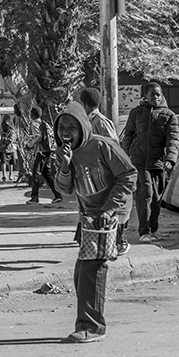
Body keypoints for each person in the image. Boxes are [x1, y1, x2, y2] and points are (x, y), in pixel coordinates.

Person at [54, 102, 137, 343]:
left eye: (72, 127)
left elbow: (129, 175)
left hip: (108, 215)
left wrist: (109, 209)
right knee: (82, 271)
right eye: (61, 127)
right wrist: (65, 164)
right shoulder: (65, 152)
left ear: (82, 127)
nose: (66, 132)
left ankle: (92, 327)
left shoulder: (102, 145)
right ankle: (88, 323)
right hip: (88, 218)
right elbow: (64, 189)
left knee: (92, 270)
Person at [120, 82, 179, 243]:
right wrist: (125, 157)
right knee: (145, 193)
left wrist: (170, 158)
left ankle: (153, 229)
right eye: (152, 94)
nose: (156, 98)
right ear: (145, 96)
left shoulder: (169, 116)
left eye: (158, 94)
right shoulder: (136, 113)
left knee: (156, 199)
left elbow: (173, 139)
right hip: (138, 162)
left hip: (158, 163)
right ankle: (144, 231)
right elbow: (128, 136)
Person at [26, 106, 63, 205]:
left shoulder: (34, 124)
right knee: (47, 174)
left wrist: (30, 144)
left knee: (36, 174)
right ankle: (58, 195)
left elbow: (38, 136)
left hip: (41, 152)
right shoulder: (44, 123)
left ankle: (34, 197)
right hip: (48, 151)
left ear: (32, 115)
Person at [0, 115, 18, 182]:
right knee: (3, 162)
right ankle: (4, 175)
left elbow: (11, 140)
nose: (5, 125)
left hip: (10, 149)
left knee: (10, 163)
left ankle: (10, 174)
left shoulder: (11, 131)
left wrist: (3, 139)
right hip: (2, 149)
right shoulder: (0, 130)